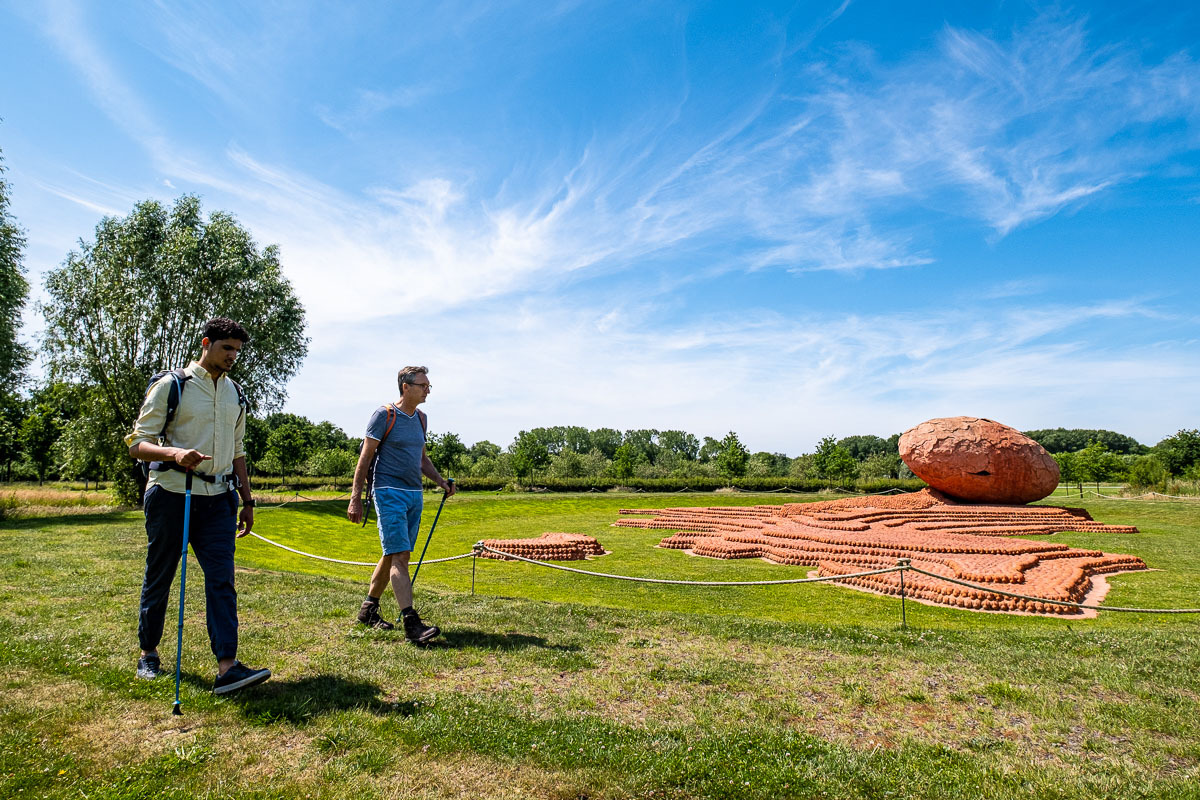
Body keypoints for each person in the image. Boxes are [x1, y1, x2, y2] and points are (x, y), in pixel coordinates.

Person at [126, 317, 270, 695]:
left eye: (237, 350)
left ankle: (228, 667)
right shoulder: (172, 386)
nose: (233, 356)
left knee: (222, 581)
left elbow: (237, 452)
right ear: (206, 343)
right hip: (173, 494)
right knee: (160, 575)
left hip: (219, 501)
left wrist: (247, 499)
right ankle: (148, 653)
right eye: (227, 348)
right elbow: (138, 443)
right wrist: (174, 453)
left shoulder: (236, 394)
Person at [347, 365, 455, 643]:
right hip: (388, 491)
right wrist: (355, 498)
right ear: (405, 387)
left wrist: (441, 482)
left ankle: (368, 610)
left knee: (393, 552)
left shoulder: (421, 419)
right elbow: (365, 458)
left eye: (429, 385)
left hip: (413, 494)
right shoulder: (384, 415)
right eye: (423, 385)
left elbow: (421, 460)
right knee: (401, 556)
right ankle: (411, 623)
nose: (427, 389)